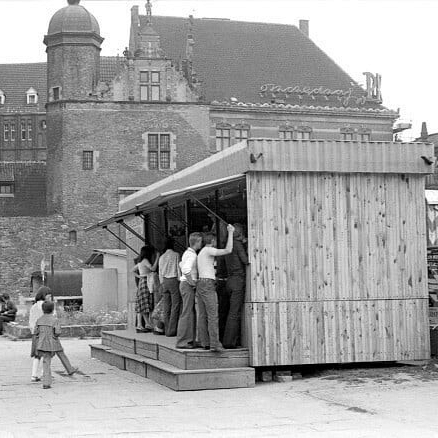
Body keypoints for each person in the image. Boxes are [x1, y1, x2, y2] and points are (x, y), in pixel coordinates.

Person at [196, 224, 235, 352]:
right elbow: (228, 250)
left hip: (201, 283)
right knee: (213, 315)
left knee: (202, 315)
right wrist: (230, 233)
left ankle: (204, 342)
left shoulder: (201, 252)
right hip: (208, 284)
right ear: (212, 241)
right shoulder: (208, 250)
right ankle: (215, 344)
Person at [34, 301, 78, 389]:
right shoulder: (55, 320)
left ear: (43, 310)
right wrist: (54, 336)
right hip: (54, 341)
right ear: (52, 309)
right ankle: (70, 369)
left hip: (43, 343)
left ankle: (46, 383)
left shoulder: (39, 320)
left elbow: (36, 332)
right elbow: (58, 332)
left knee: (46, 361)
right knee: (61, 354)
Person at [223, 223, 249, 348]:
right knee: (235, 312)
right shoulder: (238, 245)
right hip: (238, 280)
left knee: (229, 311)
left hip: (229, 279)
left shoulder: (228, 245)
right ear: (240, 233)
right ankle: (230, 342)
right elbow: (245, 260)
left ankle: (227, 339)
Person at [176, 232, 203, 349]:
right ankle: (183, 341)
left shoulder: (187, 253)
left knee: (188, 311)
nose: (201, 244)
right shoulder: (192, 255)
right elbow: (186, 269)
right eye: (201, 241)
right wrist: (192, 282)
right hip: (187, 284)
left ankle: (188, 339)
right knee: (187, 312)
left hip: (184, 284)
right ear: (197, 242)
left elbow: (181, 264)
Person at [132, 245, 159, 333]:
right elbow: (153, 268)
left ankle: (144, 324)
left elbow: (132, 270)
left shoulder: (140, 261)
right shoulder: (145, 261)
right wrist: (157, 258)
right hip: (146, 282)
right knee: (147, 303)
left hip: (141, 282)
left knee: (142, 303)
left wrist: (139, 276)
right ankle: (146, 324)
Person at [159, 238, 182, 337]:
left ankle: (167, 329)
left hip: (164, 280)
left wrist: (161, 282)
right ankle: (172, 330)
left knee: (166, 306)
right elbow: (178, 268)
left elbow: (160, 271)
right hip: (173, 280)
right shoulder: (176, 255)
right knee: (175, 306)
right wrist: (180, 280)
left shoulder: (162, 257)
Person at [29, 286, 51, 382]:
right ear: (44, 295)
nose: (50, 296)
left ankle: (34, 375)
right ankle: (44, 374)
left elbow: (31, 321)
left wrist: (33, 331)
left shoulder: (33, 306)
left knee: (37, 355)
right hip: (45, 333)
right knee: (47, 354)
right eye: (48, 295)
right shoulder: (46, 306)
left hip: (35, 333)